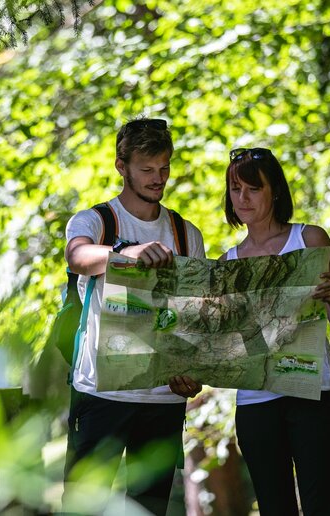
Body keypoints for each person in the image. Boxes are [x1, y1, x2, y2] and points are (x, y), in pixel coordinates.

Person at [61, 118, 205, 515]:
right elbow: (77, 256)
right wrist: (127, 256)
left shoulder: (185, 233)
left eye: (165, 168)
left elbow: (192, 312)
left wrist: (193, 368)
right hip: (100, 393)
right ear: (121, 167)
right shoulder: (96, 221)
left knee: (148, 510)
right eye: (147, 169)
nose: (158, 178)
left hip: (162, 398)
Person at [220, 147, 330, 516]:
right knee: (274, 508)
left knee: (321, 506)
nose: (242, 198)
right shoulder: (226, 264)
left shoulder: (309, 239)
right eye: (235, 189)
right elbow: (223, 344)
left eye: (253, 189)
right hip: (255, 402)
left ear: (274, 190)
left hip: (313, 393)